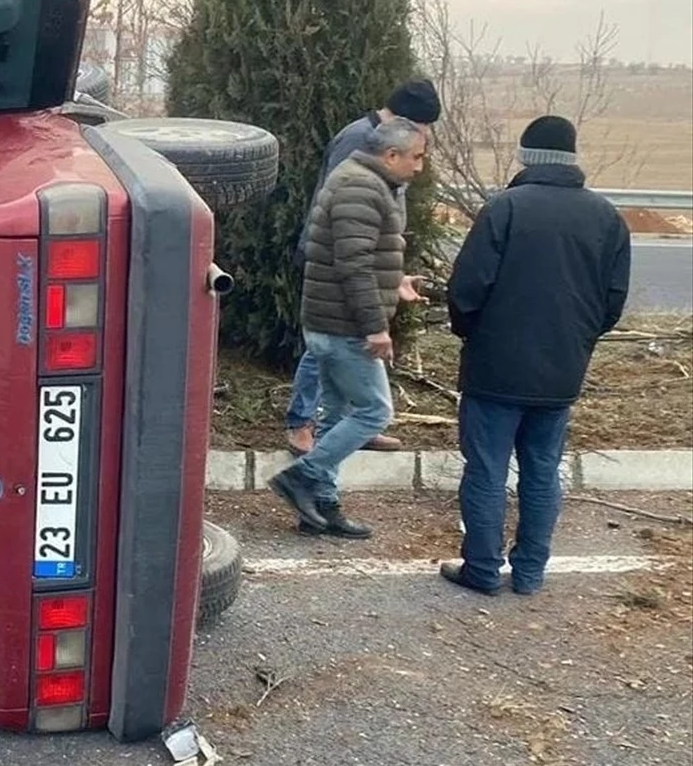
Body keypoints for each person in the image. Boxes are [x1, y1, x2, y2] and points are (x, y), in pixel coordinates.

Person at [440, 116, 631, 596]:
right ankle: (529, 574)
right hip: (562, 371)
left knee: (486, 469)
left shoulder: (503, 208)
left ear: (526, 157)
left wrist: (470, 334)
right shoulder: (607, 218)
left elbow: (467, 289)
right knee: (543, 471)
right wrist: (578, 341)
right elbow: (613, 300)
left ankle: (482, 570)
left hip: (495, 367)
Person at [268, 118, 427, 539]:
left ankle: (321, 508)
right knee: (376, 411)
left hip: (330, 322)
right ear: (391, 155)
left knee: (337, 415)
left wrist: (395, 280)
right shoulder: (362, 186)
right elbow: (352, 265)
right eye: (416, 157)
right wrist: (376, 328)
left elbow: (359, 253)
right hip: (344, 327)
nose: (419, 167)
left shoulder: (361, 180)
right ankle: (303, 476)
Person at [285, 79, 441, 457]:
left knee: (338, 352)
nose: (422, 139)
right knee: (325, 346)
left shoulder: (385, 145)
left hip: (362, 257)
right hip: (337, 261)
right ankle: (301, 423)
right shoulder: (359, 141)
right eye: (421, 127)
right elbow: (348, 228)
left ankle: (351, 427)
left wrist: (393, 274)